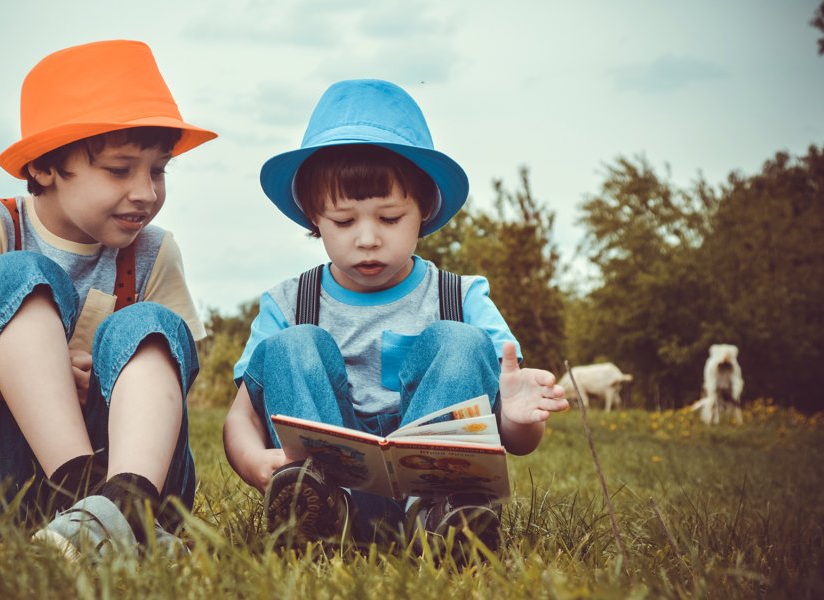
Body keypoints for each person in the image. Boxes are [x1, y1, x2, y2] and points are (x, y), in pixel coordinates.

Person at [0, 40, 216, 559]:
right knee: (20, 274)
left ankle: (126, 503)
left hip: (129, 466)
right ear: (46, 167)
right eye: (120, 170)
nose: (146, 192)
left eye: (158, 170)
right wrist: (50, 375)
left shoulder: (155, 250)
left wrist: (120, 373)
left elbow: (179, 369)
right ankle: (91, 502)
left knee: (151, 324)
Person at [222, 79, 568, 550]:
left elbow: (517, 438)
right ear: (313, 217)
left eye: (389, 219)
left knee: (461, 340)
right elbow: (240, 417)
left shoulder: (461, 297)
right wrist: (252, 461)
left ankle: (442, 522)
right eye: (344, 221)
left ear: (423, 209)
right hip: (329, 489)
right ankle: (317, 515)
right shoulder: (288, 302)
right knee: (292, 345)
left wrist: (520, 420)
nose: (367, 239)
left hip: (435, 490)